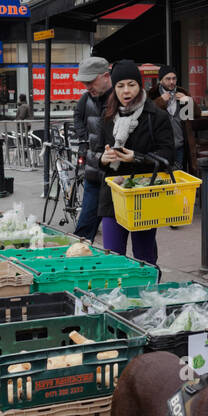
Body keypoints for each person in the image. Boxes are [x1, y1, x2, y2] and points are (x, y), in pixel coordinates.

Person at [84, 59, 176, 263]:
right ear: (114, 88)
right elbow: (96, 152)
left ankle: (147, 291)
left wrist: (137, 157)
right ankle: (117, 294)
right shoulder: (107, 116)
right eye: (120, 86)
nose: (126, 91)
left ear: (140, 85)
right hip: (112, 194)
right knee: (113, 257)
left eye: (131, 85)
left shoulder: (156, 116)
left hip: (143, 194)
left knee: (144, 256)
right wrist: (103, 158)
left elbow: (168, 155)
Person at [71, 56, 111, 242]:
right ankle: (76, 260)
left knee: (115, 231)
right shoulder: (86, 98)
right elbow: (77, 116)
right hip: (94, 169)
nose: (87, 86)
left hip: (115, 172)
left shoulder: (119, 97)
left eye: (90, 81)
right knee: (85, 224)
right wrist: (84, 140)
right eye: (84, 82)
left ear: (105, 76)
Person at [147, 64, 197, 171]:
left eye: (174, 78)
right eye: (168, 79)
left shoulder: (182, 93)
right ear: (160, 80)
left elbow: (193, 117)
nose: (171, 82)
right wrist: (160, 101)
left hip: (179, 145)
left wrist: (188, 101)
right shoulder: (152, 94)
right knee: (162, 178)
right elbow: (147, 114)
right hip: (160, 147)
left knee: (179, 177)